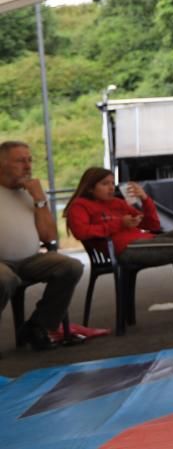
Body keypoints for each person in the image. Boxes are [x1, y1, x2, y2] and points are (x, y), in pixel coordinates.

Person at [65, 168, 173, 325]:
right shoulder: (79, 206)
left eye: (112, 183)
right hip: (126, 248)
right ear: (89, 188)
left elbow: (153, 224)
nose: (111, 188)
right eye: (104, 184)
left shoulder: (117, 203)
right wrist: (119, 224)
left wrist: (145, 199)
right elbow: (82, 232)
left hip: (146, 240)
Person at [0, 141, 83, 351]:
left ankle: (37, 327)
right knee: (4, 279)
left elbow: (49, 236)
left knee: (71, 266)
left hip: (30, 259)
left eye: (30, 160)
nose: (28, 166)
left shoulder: (31, 192)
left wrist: (39, 199)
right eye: (20, 161)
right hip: (2, 264)